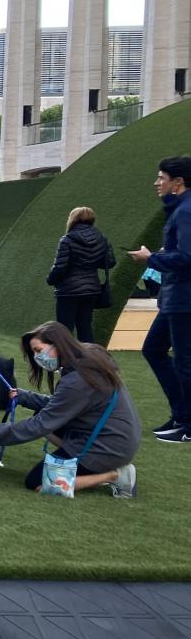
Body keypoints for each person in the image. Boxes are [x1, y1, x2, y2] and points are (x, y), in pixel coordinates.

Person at [0, 321, 141, 497]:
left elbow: (40, 425)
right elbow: (61, 404)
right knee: (45, 417)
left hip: (107, 447)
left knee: (37, 482)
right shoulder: (87, 358)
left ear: (58, 344)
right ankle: (90, 464)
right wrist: (23, 396)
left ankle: (114, 475)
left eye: (38, 350)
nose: (37, 357)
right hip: (116, 438)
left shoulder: (78, 381)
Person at [129, 155, 191, 444]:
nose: (157, 183)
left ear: (177, 182)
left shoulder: (186, 211)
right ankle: (181, 415)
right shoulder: (179, 210)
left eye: (161, 178)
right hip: (175, 297)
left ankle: (188, 423)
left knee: (184, 361)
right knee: (153, 349)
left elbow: (188, 258)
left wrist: (151, 258)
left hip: (184, 298)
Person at [47, 207, 117, 344]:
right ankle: (88, 361)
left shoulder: (67, 240)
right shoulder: (101, 238)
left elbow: (60, 267)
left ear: (72, 219)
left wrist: (50, 279)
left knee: (64, 331)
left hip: (68, 291)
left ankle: (66, 363)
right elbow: (110, 262)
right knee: (85, 329)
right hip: (91, 290)